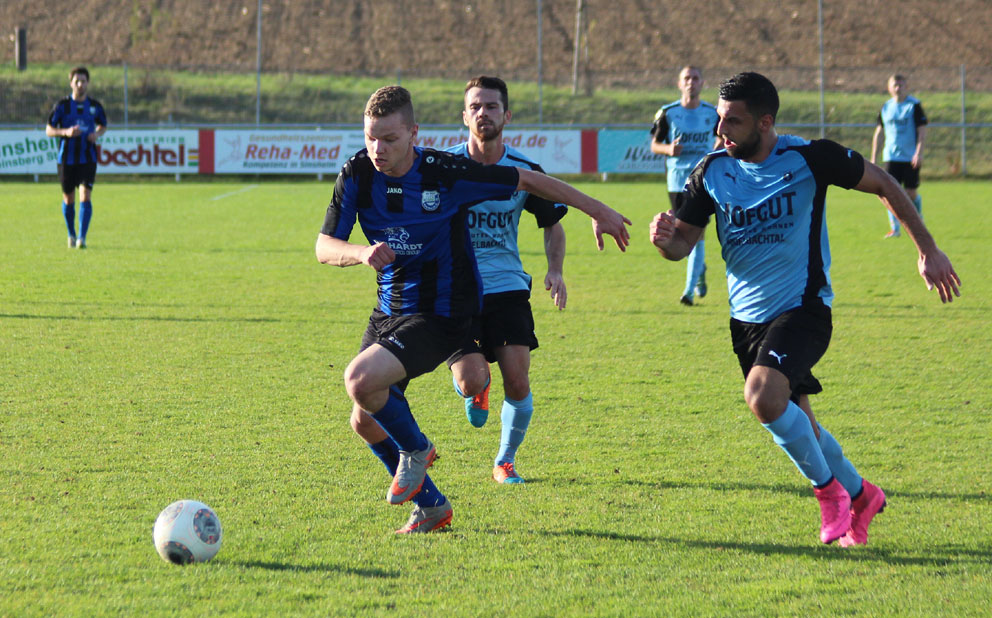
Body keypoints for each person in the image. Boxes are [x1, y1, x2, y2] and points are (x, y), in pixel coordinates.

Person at [650, 72, 960, 547]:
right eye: (718, 119)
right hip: (745, 320)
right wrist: (666, 241)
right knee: (802, 424)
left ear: (766, 122)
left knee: (763, 397)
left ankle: (829, 494)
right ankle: (862, 494)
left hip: (803, 308)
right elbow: (682, 246)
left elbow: (885, 183)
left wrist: (927, 250)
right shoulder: (711, 171)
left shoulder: (811, 158)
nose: (720, 131)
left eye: (732, 121)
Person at [317, 85, 630, 534]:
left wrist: (597, 209)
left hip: (444, 311)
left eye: (388, 139)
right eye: (370, 137)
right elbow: (323, 246)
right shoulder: (358, 173)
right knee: (365, 420)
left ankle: (419, 449)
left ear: (413, 133)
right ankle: (432, 508)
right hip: (391, 307)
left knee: (359, 380)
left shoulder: (445, 172)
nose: (376, 148)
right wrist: (359, 252)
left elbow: (527, 180)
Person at [435, 76, 568, 484]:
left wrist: (556, 269)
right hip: (455, 289)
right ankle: (476, 388)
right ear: (464, 116)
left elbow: (553, 225)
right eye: (475, 106)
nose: (483, 113)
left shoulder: (525, 171)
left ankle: (505, 461)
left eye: (491, 106)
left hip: (508, 286)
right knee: (472, 377)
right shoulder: (443, 167)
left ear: (506, 115)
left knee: (518, 379)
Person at [650, 66, 722, 306]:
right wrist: (669, 149)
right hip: (676, 181)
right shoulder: (668, 113)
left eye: (696, 78)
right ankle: (700, 274)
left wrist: (716, 148)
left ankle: (689, 292)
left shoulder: (712, 113)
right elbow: (655, 145)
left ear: (703, 83)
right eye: (687, 78)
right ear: (680, 84)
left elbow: (722, 137)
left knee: (698, 234)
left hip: (703, 180)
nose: (691, 82)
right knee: (686, 236)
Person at [46, 67, 108, 249]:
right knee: (68, 199)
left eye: (83, 81)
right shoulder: (62, 106)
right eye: (77, 81)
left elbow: (103, 125)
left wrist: (96, 135)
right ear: (71, 83)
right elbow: (48, 130)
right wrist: (65, 132)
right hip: (66, 159)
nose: (80, 84)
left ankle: (82, 238)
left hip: (88, 158)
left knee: (86, 196)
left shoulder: (95, 106)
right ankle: (71, 234)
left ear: (88, 83)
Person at [870, 74, 928, 238]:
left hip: (910, 157)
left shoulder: (914, 106)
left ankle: (918, 220)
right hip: (891, 156)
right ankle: (895, 228)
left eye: (901, 85)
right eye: (895, 85)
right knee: (889, 193)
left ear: (906, 87)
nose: (898, 88)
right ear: (889, 88)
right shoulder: (886, 107)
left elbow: (922, 130)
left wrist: (919, 152)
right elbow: (879, 133)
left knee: (910, 193)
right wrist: (874, 158)